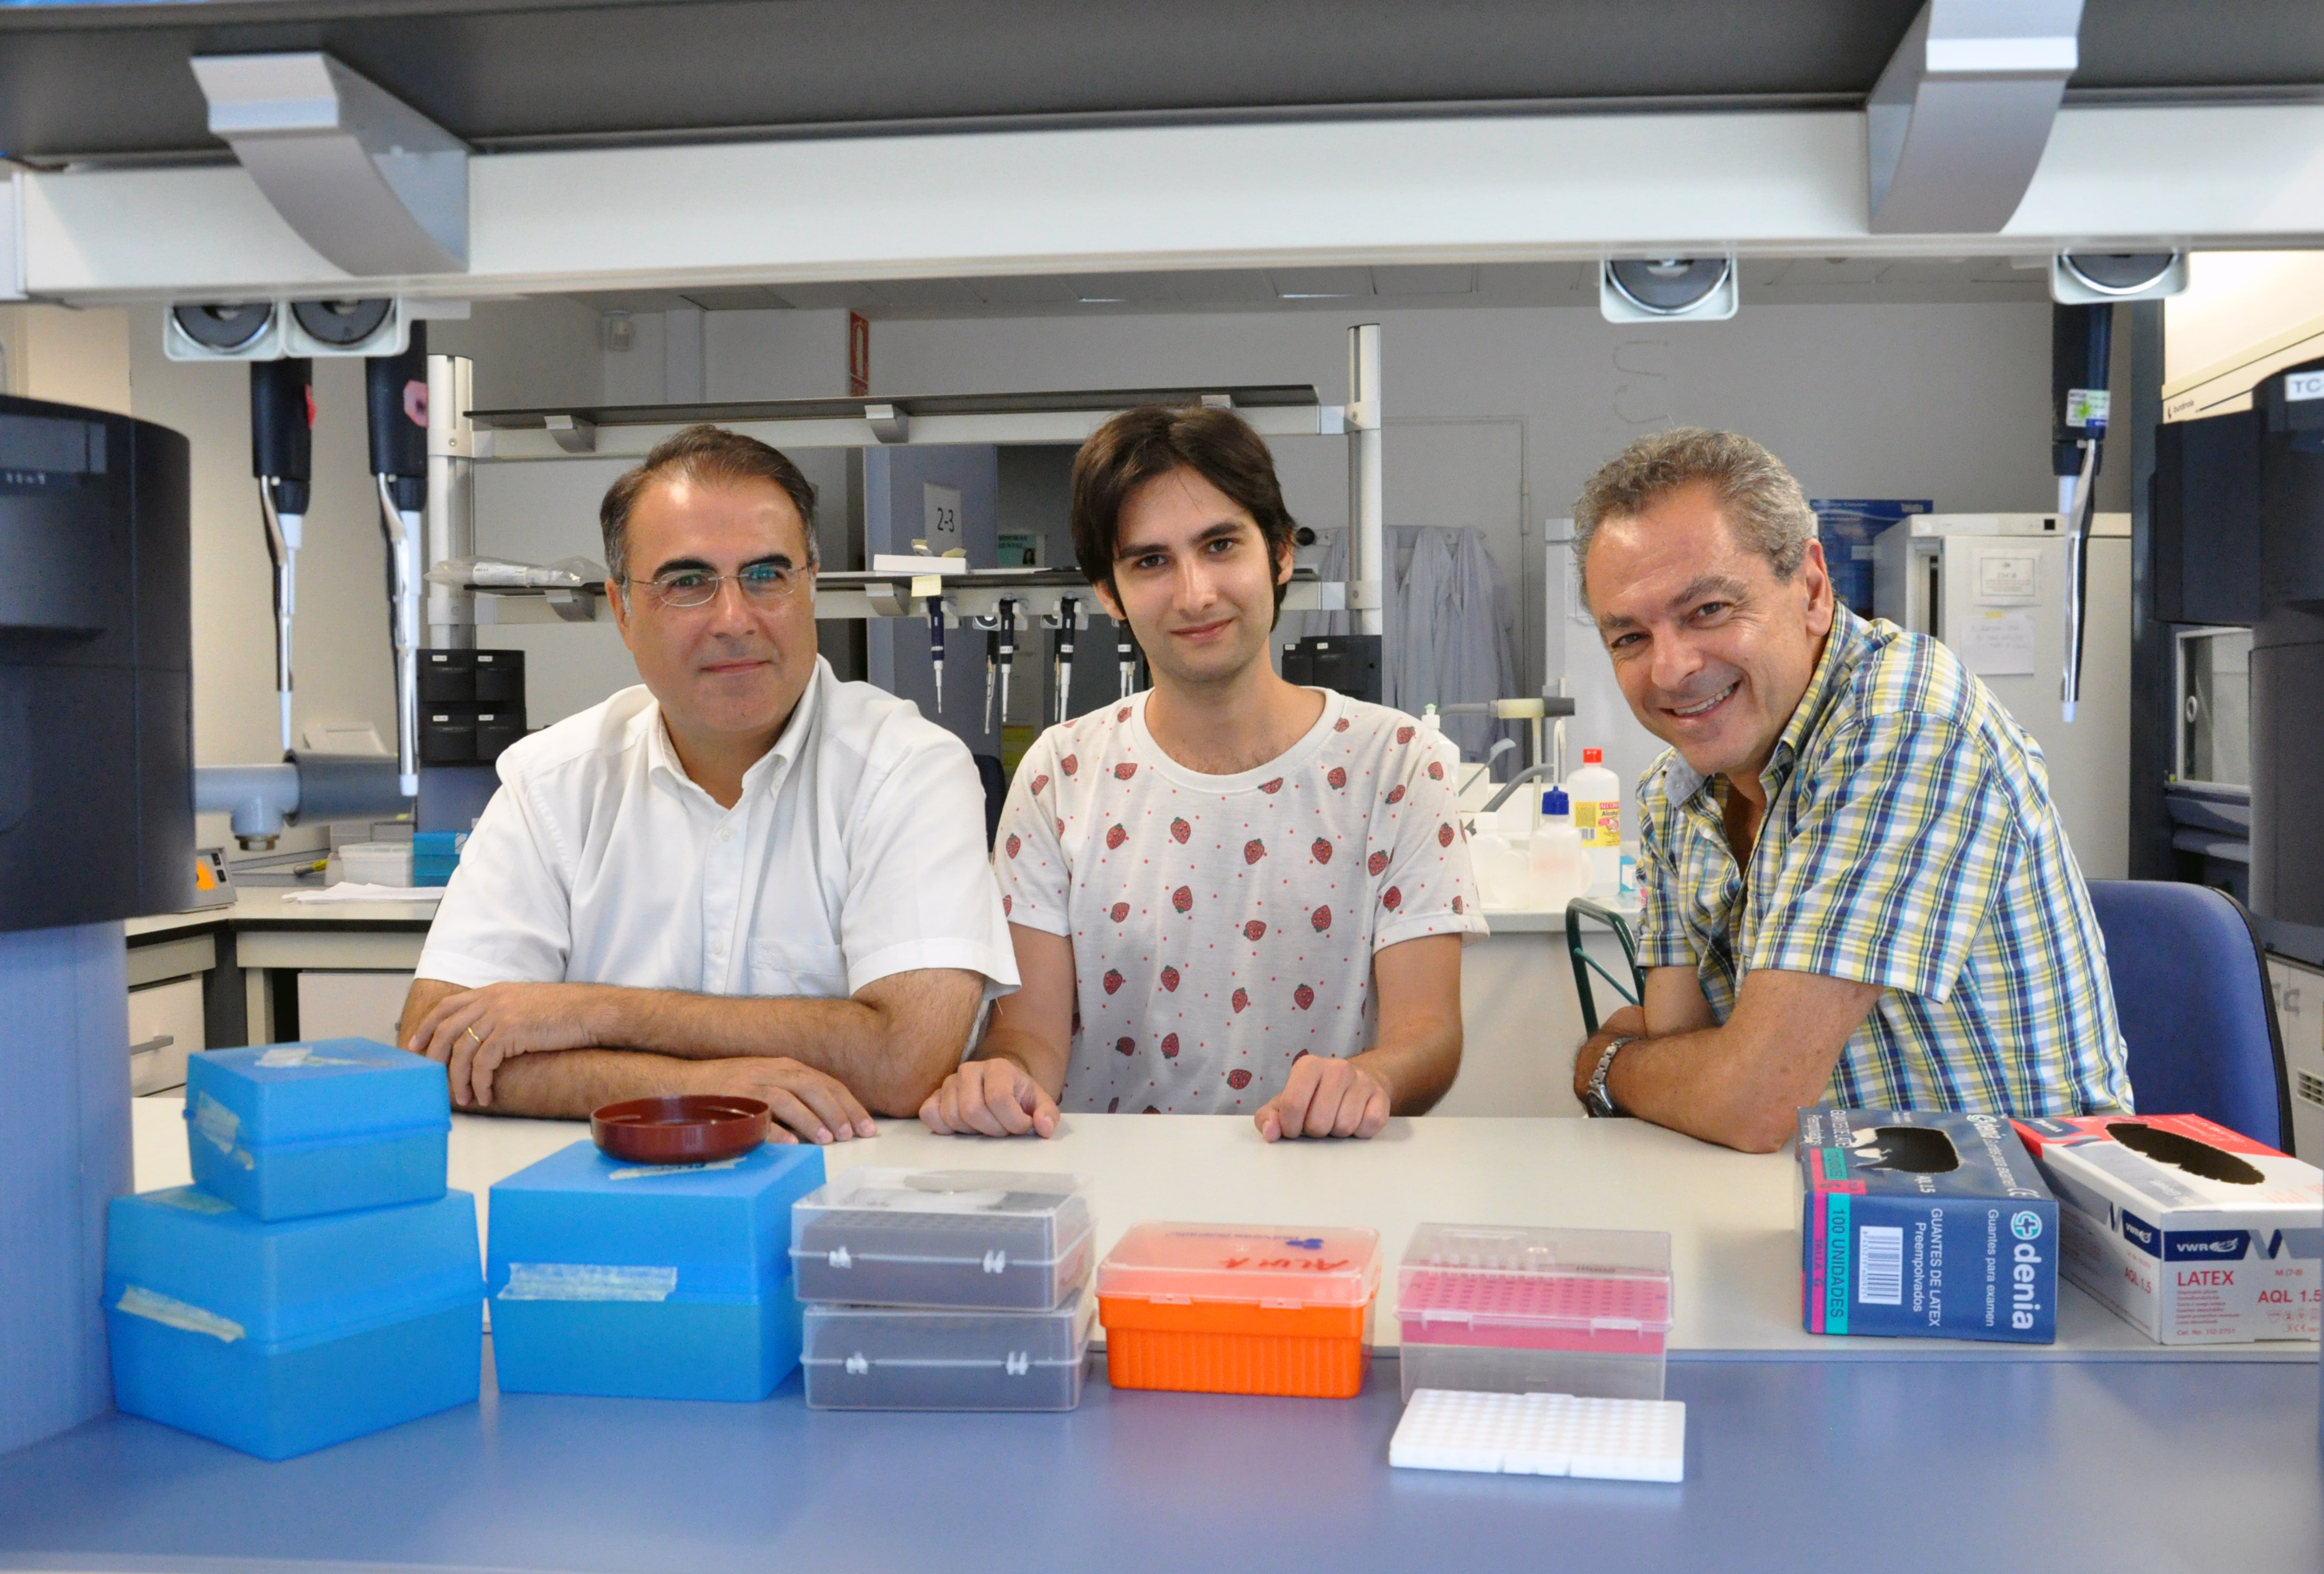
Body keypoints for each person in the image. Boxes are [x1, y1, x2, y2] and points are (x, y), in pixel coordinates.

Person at [398, 425, 1017, 1142]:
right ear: (623, 611)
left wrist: (596, 1012)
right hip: (602, 1190)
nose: (734, 619)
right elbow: (439, 1046)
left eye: (766, 575)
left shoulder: (907, 769)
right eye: (686, 582)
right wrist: (690, 1091)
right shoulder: (552, 781)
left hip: (843, 1189)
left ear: (810, 587)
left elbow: (904, 1059)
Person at [919, 405, 1484, 1143]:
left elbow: (1428, 1031)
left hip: (1320, 1180)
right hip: (1115, 1186)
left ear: (1278, 554)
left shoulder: (1397, 763)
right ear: (1108, 593)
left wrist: (1373, 1077)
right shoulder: (1059, 774)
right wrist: (1002, 1080)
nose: (1193, 594)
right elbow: (1029, 1036)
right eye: (1150, 562)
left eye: (1220, 545)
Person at [1566, 427, 2132, 1152]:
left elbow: (1747, 1102)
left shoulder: (1907, 725)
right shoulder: (1673, 794)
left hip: (2014, 1205)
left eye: (1707, 610)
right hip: (1802, 1189)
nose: (1670, 670)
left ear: (1810, 589)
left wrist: (1605, 1065)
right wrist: (1676, 1072)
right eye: (1629, 638)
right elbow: (1683, 1064)